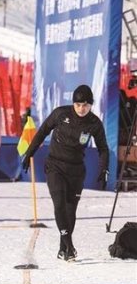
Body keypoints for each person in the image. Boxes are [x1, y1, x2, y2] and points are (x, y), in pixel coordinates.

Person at [22, 85, 109, 262]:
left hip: (76, 170)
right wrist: (29, 152)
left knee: (70, 210)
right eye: (78, 105)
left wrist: (104, 168)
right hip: (55, 166)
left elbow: (103, 148)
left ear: (90, 105)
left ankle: (63, 249)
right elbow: (43, 131)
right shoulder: (61, 114)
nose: (81, 109)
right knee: (59, 203)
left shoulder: (94, 123)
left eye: (85, 105)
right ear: (73, 104)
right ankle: (69, 244)